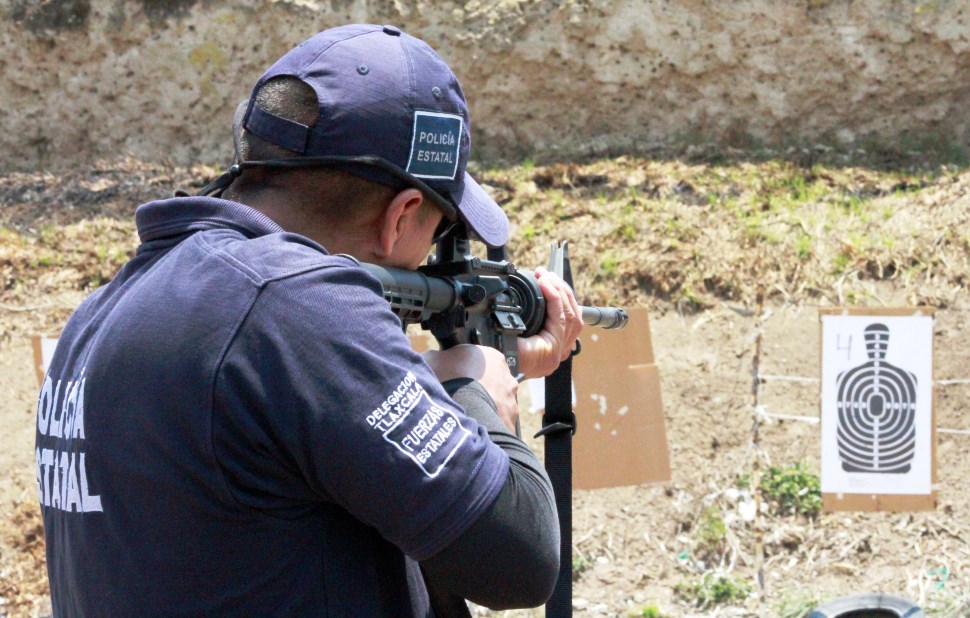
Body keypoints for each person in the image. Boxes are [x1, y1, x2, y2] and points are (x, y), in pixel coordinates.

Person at [35, 23, 583, 616]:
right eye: (439, 227)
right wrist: (473, 394)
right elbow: (520, 564)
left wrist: (420, 382)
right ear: (400, 217)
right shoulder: (300, 306)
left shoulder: (101, 314)